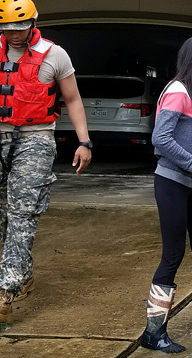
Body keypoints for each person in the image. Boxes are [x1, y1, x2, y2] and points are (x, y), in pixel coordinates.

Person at [0, 0, 92, 324]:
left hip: (35, 138)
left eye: (19, 27)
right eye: (7, 29)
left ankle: (4, 294)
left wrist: (84, 142)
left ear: (34, 22)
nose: (14, 35)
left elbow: (72, 99)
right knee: (3, 216)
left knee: (22, 212)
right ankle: (21, 274)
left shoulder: (55, 55)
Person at [139, 36, 192, 353]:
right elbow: (160, 140)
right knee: (173, 254)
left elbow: (189, 140)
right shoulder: (177, 92)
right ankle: (153, 332)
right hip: (172, 182)